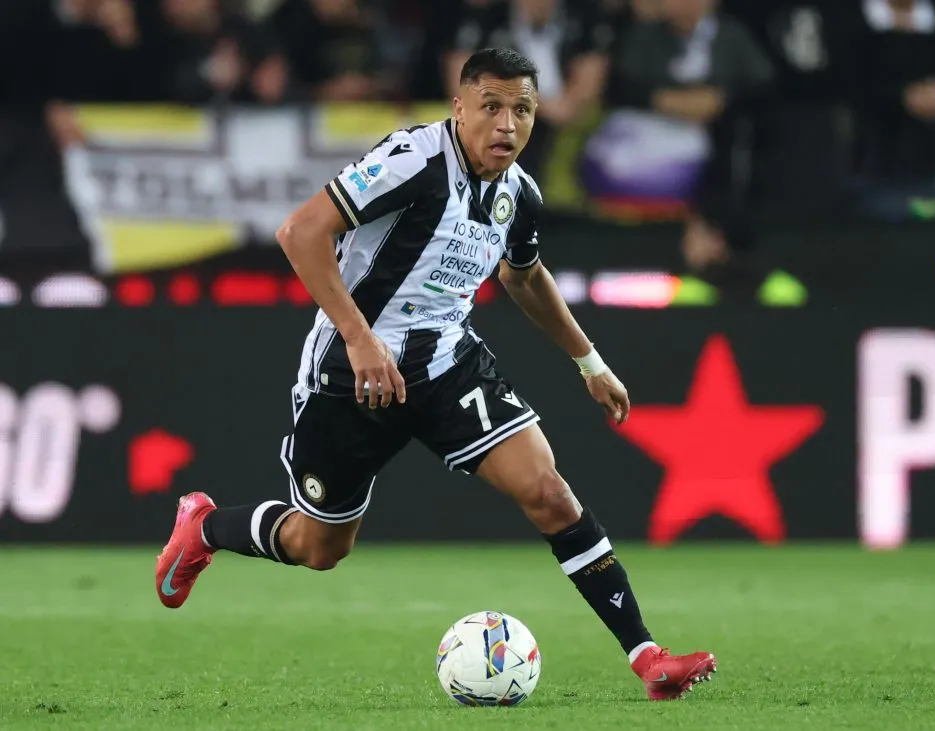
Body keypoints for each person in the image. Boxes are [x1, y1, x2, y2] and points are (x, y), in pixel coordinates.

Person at [154, 47, 716, 701]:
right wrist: (361, 340)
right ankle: (206, 527)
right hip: (351, 375)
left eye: (524, 110)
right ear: (459, 107)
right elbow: (300, 232)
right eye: (493, 107)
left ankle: (648, 656)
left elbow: (522, 275)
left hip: (449, 366)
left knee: (549, 491)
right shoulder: (415, 161)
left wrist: (588, 360)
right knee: (318, 546)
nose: (508, 125)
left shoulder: (518, 194)